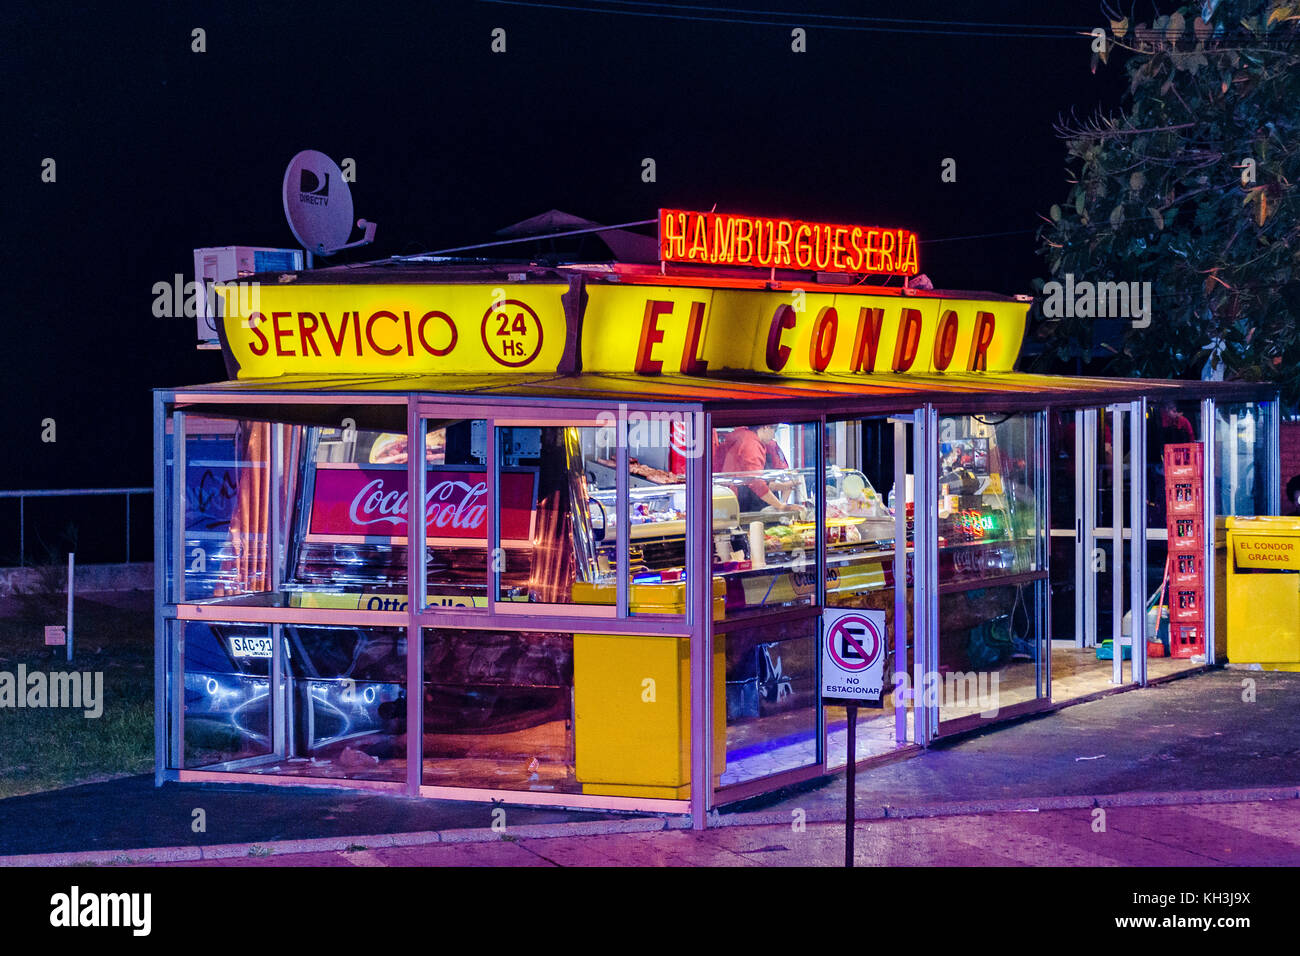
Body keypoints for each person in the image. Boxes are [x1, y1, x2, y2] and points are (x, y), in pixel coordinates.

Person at [717, 425, 800, 512]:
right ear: (766, 427)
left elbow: (783, 473)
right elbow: (756, 482)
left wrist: (782, 502)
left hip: (745, 496)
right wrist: (781, 506)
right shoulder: (751, 444)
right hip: (742, 499)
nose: (774, 436)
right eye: (774, 431)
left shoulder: (751, 439)